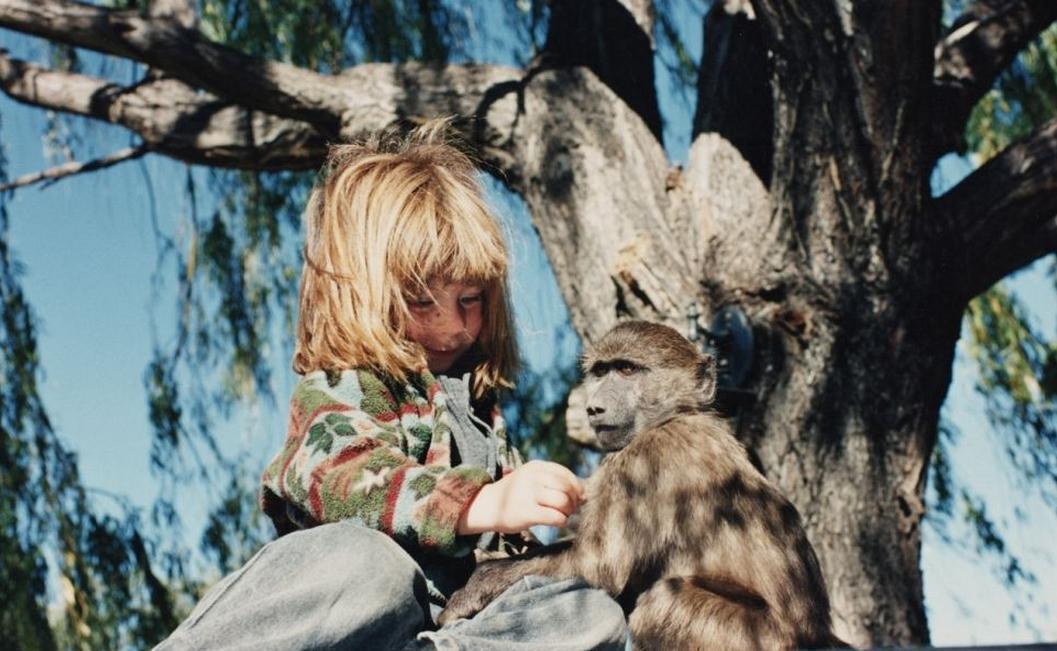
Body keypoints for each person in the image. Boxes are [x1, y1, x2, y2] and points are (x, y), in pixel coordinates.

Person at [156, 120, 628, 650]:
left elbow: (506, 560)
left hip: (437, 626)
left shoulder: (479, 413)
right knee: (367, 567)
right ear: (361, 293)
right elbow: (336, 477)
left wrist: (568, 527)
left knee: (587, 608)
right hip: (350, 620)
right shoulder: (343, 384)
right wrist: (478, 504)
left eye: (470, 300)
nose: (453, 326)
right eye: (423, 302)